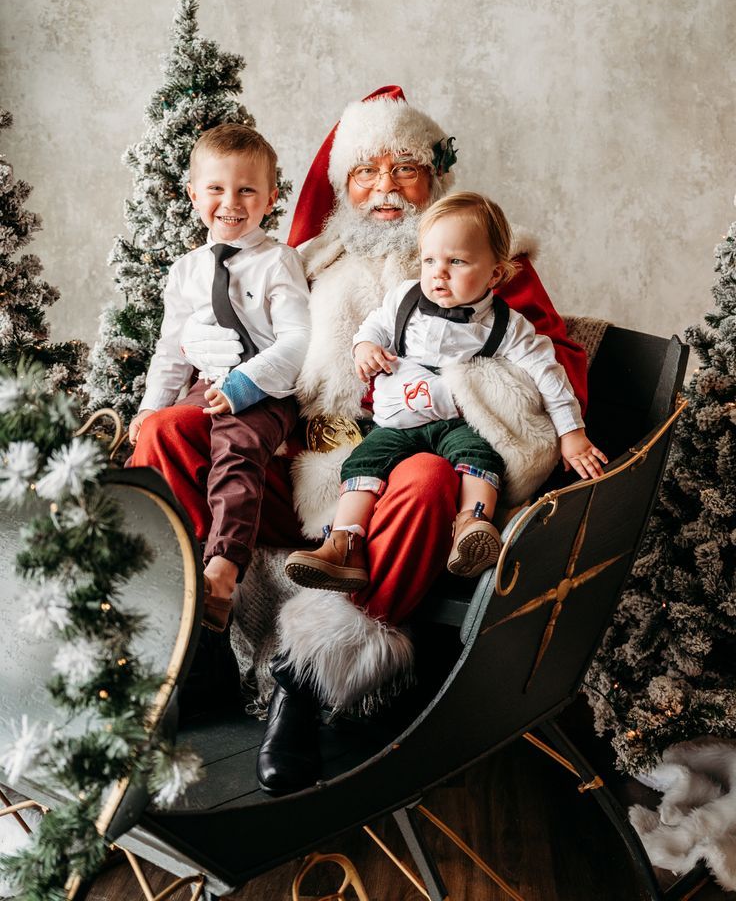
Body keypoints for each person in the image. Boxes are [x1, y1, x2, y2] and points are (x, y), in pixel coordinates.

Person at [146, 85, 589, 794]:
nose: (384, 189)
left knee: (425, 480)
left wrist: (448, 384)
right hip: (297, 465)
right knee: (170, 432)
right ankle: (193, 657)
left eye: (404, 169)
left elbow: (549, 372)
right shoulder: (310, 261)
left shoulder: (476, 262)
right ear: (342, 187)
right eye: (365, 172)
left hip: (402, 478)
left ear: (435, 178)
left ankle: (303, 681)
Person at [284, 192, 606, 594]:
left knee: (479, 453)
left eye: (456, 262)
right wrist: (364, 348)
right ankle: (344, 543)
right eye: (429, 260)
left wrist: (571, 433)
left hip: (457, 422)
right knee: (364, 461)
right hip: (398, 422)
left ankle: (472, 525)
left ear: (495, 275)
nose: (438, 273)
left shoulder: (507, 326)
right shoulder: (404, 299)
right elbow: (373, 327)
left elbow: (550, 376)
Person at [128, 123, 311, 636]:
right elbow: (171, 349)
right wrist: (150, 405)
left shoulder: (279, 260)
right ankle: (153, 562)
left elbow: (296, 341)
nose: (230, 202)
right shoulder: (186, 270)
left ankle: (223, 570)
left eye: (247, 189)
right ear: (193, 194)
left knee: (236, 448)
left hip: (264, 390)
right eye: (216, 188)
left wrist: (244, 389)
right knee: (161, 431)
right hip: (205, 383)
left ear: (271, 198)